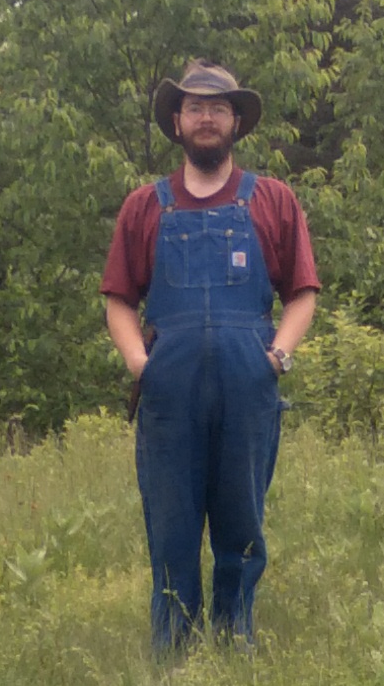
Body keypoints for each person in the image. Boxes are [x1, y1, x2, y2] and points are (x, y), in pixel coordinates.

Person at [100, 60, 318, 649]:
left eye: (217, 108)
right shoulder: (145, 207)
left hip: (249, 387)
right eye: (194, 107)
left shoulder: (273, 200)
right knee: (170, 528)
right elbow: (119, 299)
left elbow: (302, 293)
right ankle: (173, 654)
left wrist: (276, 357)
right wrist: (140, 365)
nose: (205, 117)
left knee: (241, 525)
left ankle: (234, 642)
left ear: (235, 122)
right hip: (169, 394)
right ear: (177, 121)